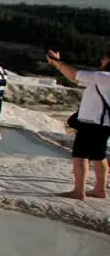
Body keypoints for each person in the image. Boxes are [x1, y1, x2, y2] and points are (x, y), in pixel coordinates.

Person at [46, 48, 110, 200]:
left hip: (92, 122)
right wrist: (57, 64)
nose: (101, 60)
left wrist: (57, 62)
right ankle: (100, 190)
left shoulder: (104, 76)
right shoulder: (102, 79)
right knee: (98, 156)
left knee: (80, 156)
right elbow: (74, 78)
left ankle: (78, 191)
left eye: (104, 57)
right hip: (104, 122)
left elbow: (75, 75)